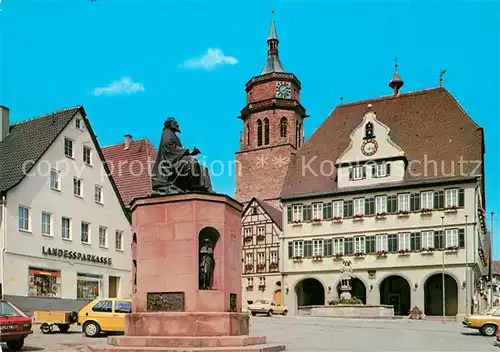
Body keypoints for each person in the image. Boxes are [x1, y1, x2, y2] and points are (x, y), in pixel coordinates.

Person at [151, 117, 213, 195]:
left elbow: (176, 150)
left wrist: (188, 152)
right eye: (175, 123)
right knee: (191, 162)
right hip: (169, 165)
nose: (177, 124)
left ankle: (203, 188)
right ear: (169, 124)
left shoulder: (171, 134)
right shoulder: (167, 133)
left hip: (175, 159)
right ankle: (190, 187)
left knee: (202, 168)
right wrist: (188, 152)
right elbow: (170, 149)